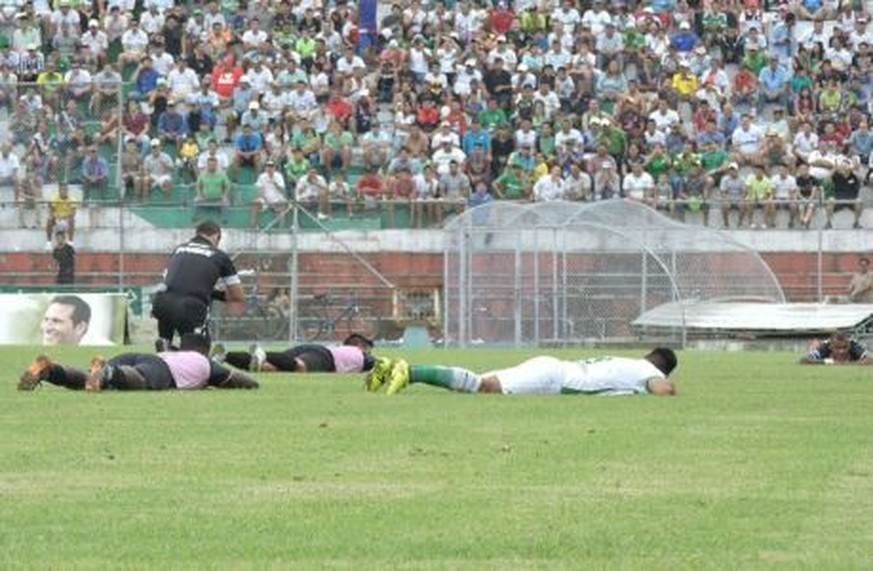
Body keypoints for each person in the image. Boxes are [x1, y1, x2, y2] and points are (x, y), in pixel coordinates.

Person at [367, 348, 678, 396]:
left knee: (479, 382)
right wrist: (671, 387)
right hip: (556, 379)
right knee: (483, 387)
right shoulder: (649, 372)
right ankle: (412, 372)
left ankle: (390, 366)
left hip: (552, 365)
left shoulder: (630, 361)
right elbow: (661, 389)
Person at [18, 334, 259, 391]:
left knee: (89, 381)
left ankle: (50, 370)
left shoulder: (175, 354)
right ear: (204, 350)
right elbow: (241, 381)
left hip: (140, 357)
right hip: (160, 369)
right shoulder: (205, 363)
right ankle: (108, 371)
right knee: (139, 381)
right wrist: (254, 384)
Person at [151, 221, 244, 351]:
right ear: (217, 236)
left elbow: (170, 279)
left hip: (162, 303)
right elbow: (237, 296)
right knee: (197, 355)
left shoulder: (179, 249)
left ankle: (167, 350)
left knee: (165, 354)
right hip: (191, 307)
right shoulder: (219, 255)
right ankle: (190, 354)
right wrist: (214, 293)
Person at [214, 333, 384, 373]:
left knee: (270, 368)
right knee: (299, 366)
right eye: (368, 348)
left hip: (312, 348)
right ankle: (263, 354)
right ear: (360, 345)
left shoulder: (340, 347)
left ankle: (225, 356)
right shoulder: (359, 355)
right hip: (325, 359)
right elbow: (379, 364)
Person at [799, 332, 871, 365]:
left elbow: (871, 359)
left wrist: (847, 364)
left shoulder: (854, 347)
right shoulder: (825, 347)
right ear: (830, 347)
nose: (841, 351)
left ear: (849, 346)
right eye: (837, 348)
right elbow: (804, 360)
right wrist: (829, 362)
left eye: (844, 347)